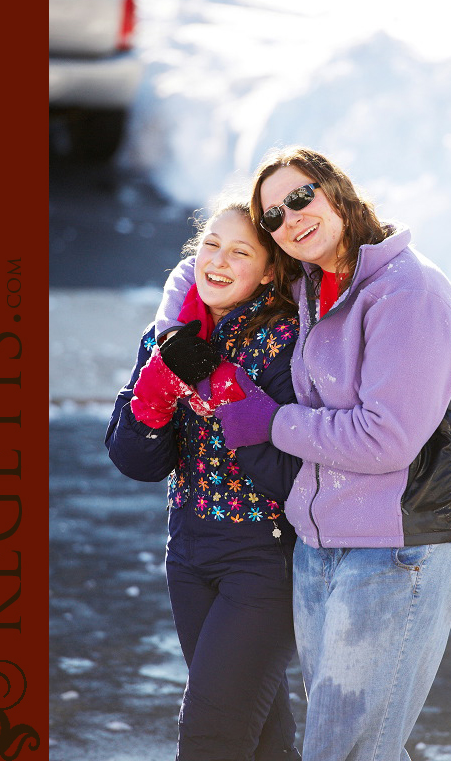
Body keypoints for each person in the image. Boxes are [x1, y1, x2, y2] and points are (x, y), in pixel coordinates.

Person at [155, 146, 451, 761]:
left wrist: (272, 420)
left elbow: (385, 438)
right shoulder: (316, 285)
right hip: (321, 537)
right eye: (274, 215)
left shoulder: (406, 292)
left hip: (400, 541)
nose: (291, 218)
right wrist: (180, 319)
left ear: (337, 190)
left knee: (349, 746)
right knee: (349, 739)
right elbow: (195, 270)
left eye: (301, 196)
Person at [106, 201, 304, 760]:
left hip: (264, 561)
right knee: (260, 734)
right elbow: (137, 462)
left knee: (211, 735)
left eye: (240, 252)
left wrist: (222, 387)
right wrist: (154, 391)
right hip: (187, 554)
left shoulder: (286, 343)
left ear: (269, 270)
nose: (217, 261)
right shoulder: (171, 333)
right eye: (210, 244)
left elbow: (288, 476)